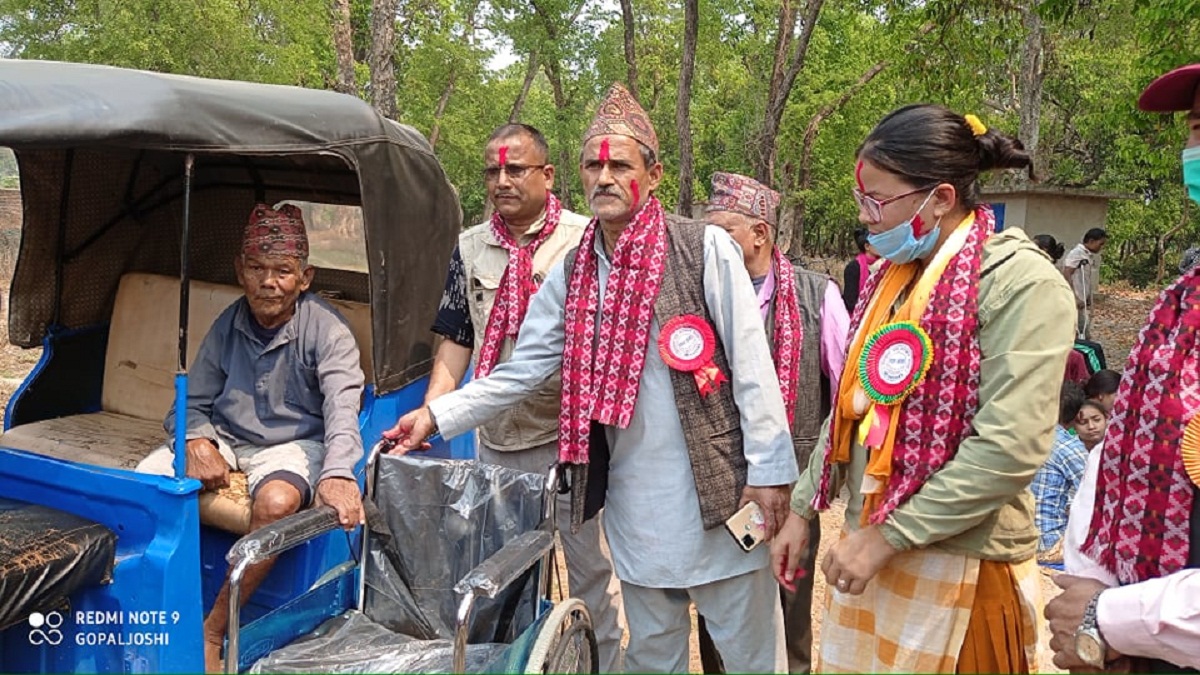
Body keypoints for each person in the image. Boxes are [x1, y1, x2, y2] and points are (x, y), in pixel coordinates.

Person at [386, 83, 797, 673]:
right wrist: (435, 414)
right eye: (593, 164)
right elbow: (521, 369)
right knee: (652, 654)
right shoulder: (576, 267)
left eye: (619, 164)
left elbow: (755, 369)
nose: (603, 176)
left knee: (752, 656)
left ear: (653, 175)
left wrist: (771, 475)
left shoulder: (702, 248)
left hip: (719, 494)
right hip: (634, 503)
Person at [770, 105, 1076, 674]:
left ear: (939, 198)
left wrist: (889, 536)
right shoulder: (893, 278)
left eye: (877, 202)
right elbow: (852, 406)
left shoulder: (1020, 284)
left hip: (961, 566)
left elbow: (1008, 449)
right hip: (877, 556)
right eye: (863, 200)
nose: (866, 218)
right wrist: (800, 511)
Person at [421, 123, 625, 671]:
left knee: (588, 571)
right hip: (496, 439)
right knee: (501, 571)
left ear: (548, 175)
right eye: (492, 171)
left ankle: (602, 664)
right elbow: (457, 339)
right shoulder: (469, 246)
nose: (502, 181)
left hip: (569, 439)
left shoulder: (586, 240)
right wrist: (432, 410)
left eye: (516, 169)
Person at [135, 204, 366, 672]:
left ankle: (214, 630)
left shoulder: (327, 330)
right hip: (225, 434)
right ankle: (152, 608)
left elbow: (343, 411)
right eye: (257, 268)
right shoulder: (228, 323)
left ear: (305, 277)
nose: (269, 282)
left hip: (294, 442)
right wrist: (196, 440)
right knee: (144, 481)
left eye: (283, 271)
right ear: (240, 271)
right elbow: (189, 403)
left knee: (278, 503)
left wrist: (339, 473)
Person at [1046, 61, 1200, 674]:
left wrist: (1108, 617)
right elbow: (1121, 456)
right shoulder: (1183, 297)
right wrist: (1092, 591)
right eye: (1196, 128)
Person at [701, 171, 850, 673]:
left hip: (792, 487)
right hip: (718, 484)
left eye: (723, 231)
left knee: (788, 605)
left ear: (760, 234)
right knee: (718, 608)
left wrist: (823, 481)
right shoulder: (697, 293)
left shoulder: (816, 296)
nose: (709, 243)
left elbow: (849, 389)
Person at [1030, 382, 1088, 564]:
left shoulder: (1018, 436)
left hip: (1015, 539)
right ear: (1077, 417)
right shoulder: (1069, 447)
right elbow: (1097, 497)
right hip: (1050, 542)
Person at [1063, 228, 1108, 340]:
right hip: (1076, 300)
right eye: (1100, 244)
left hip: (1082, 299)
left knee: (1083, 332)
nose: (1101, 247)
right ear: (1091, 241)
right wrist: (1074, 297)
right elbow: (1067, 274)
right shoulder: (1077, 253)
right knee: (1079, 333)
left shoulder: (1086, 254)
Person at [842, 227, 880, 312]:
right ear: (867, 246)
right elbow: (850, 302)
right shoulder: (853, 268)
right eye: (878, 242)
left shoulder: (882, 265)